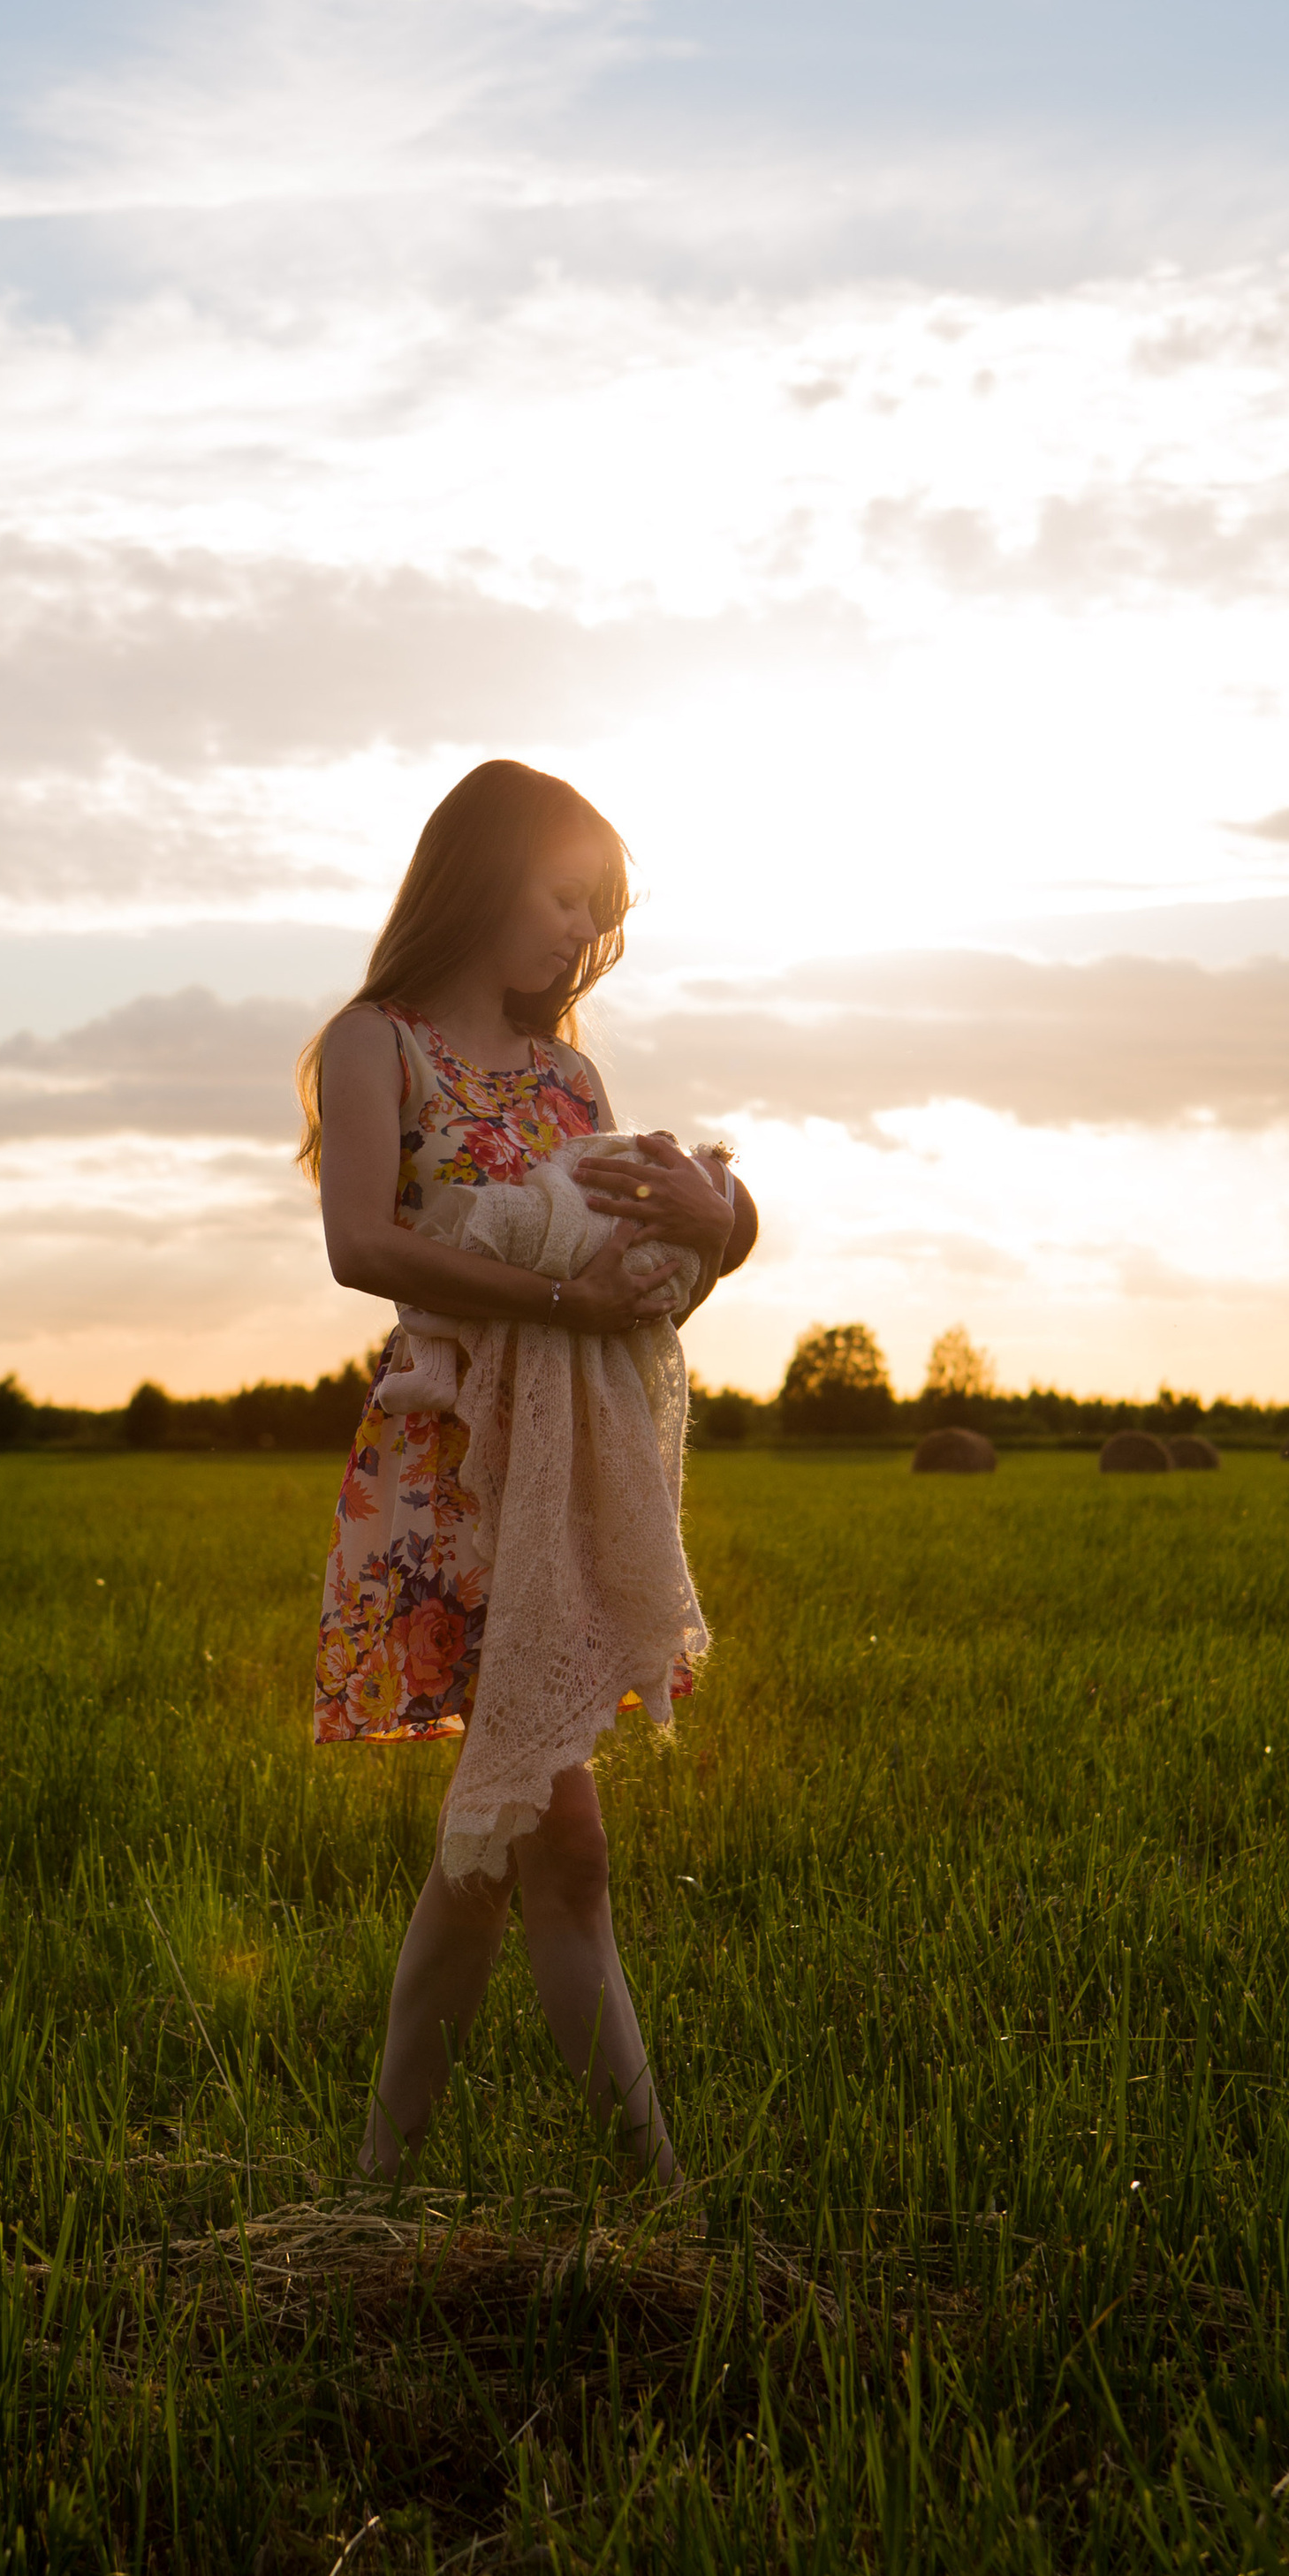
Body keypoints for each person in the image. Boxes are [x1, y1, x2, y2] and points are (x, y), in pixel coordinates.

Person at [297, 758, 756, 2187]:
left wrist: (721, 1225)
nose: (579, 936)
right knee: (554, 1838)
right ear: (484, 872)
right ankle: (656, 2188)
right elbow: (361, 1247)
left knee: (502, 1844)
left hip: (564, 1471)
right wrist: (560, 1305)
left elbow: (634, 1278)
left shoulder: (571, 1074)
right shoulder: (379, 1043)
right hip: (449, 1467)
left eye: (600, 917)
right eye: (566, 898)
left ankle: (380, 2183)